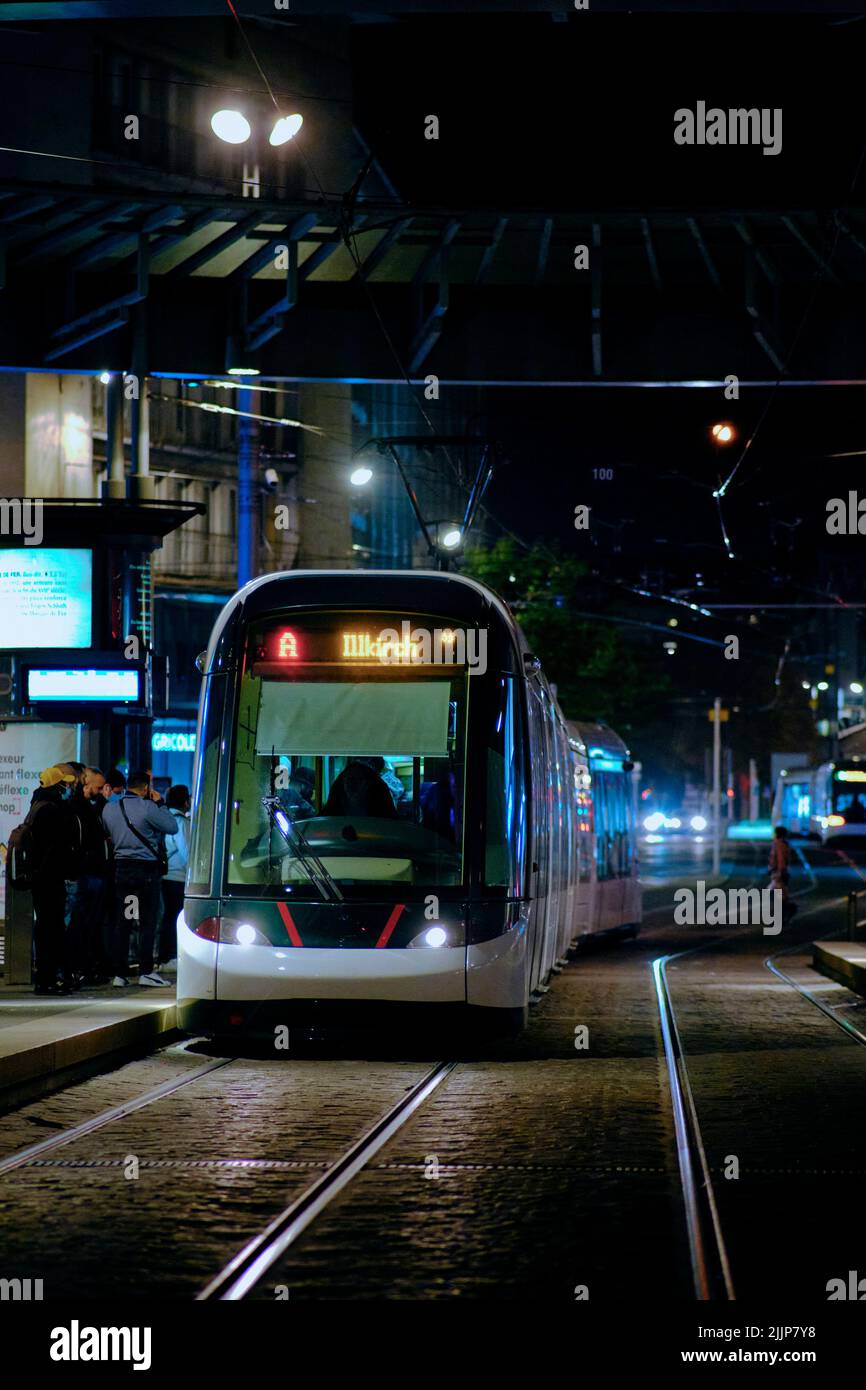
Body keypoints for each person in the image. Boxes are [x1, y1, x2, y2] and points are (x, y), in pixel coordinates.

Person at [102, 770, 178, 988]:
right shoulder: (148, 807)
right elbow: (171, 827)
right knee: (147, 921)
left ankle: (120, 973)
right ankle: (146, 971)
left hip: (123, 872)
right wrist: (161, 802)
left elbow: (108, 833)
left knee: (124, 921)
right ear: (145, 788)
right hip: (146, 873)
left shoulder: (110, 808)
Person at [29, 766, 79, 994]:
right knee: (52, 929)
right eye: (64, 784)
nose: (68, 788)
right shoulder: (52, 810)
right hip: (50, 879)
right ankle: (48, 979)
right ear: (56, 786)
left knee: (45, 927)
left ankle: (45, 976)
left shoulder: (37, 806)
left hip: (41, 878)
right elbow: (57, 847)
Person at [66, 766, 111, 985]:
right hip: (87, 872)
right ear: (86, 785)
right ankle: (79, 966)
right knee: (82, 922)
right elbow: (93, 836)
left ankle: (85, 965)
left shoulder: (88, 807)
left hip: (92, 871)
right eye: (99, 787)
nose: (103, 791)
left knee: (89, 922)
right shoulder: (79, 808)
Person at [157, 784, 191, 971]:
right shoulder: (180, 822)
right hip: (178, 877)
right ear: (185, 801)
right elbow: (187, 851)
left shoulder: (163, 818)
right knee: (175, 917)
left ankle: (164, 956)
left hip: (165, 875)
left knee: (167, 916)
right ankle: (170, 956)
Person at [324, 759, 399, 819]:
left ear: (368, 784)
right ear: (343, 783)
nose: (352, 783)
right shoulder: (332, 810)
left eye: (359, 779)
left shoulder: (383, 813)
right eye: (349, 779)